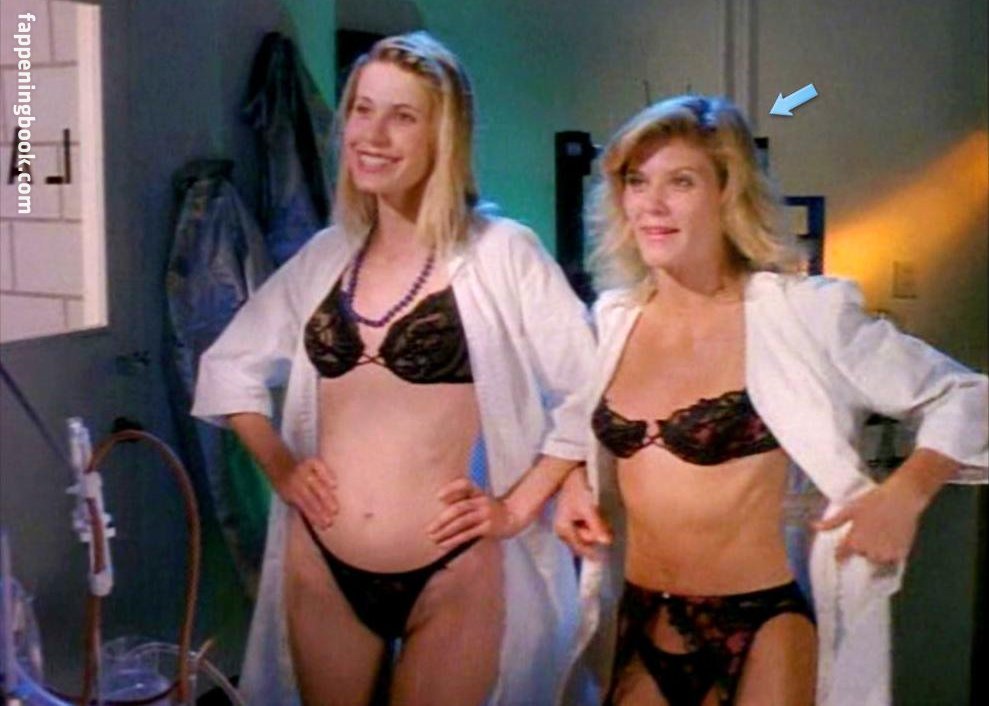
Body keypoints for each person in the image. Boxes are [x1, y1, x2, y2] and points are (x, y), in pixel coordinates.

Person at [193, 32, 595, 706]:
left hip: (451, 570)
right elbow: (228, 367)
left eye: (402, 116)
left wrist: (518, 506)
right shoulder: (326, 257)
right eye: (362, 109)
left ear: (443, 136)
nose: (372, 135)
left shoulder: (501, 252)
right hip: (321, 563)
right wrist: (282, 469)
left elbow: (587, 388)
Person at [553, 95, 988, 706]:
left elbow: (966, 394)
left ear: (727, 193)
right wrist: (572, 478)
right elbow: (569, 422)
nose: (652, 204)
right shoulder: (613, 320)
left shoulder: (799, 313)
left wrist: (904, 494)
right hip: (642, 616)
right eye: (636, 181)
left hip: (761, 624)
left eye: (681, 182)